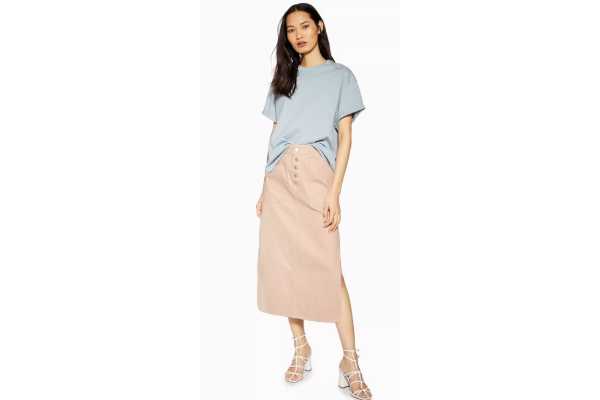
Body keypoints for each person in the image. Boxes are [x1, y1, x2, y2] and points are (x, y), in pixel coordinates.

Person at [255, 4, 372, 399]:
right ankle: (301, 347)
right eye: (291, 30)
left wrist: (334, 193)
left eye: (305, 26)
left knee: (329, 269)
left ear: (319, 27)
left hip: (317, 178)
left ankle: (350, 360)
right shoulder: (284, 78)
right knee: (285, 266)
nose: (299, 35)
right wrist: (263, 187)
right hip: (279, 181)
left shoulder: (341, 76)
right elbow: (275, 132)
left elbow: (346, 136)